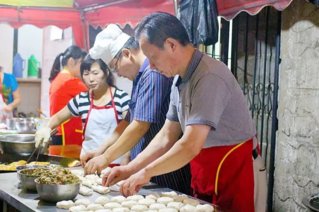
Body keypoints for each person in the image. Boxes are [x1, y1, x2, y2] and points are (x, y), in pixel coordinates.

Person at [104, 12, 267, 212]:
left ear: (172, 45)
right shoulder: (178, 80)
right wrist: (131, 168)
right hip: (205, 169)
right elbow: (166, 136)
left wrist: (146, 172)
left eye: (153, 58)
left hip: (235, 171)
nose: (151, 67)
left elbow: (190, 144)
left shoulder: (209, 76)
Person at [81, 24, 192, 195]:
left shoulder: (152, 75)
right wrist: (100, 150)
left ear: (126, 54)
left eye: (115, 66)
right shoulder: (140, 77)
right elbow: (128, 121)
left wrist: (106, 157)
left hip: (163, 172)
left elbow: (140, 126)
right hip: (145, 168)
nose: (117, 73)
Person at [35, 55, 130, 163]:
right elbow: (58, 116)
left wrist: (127, 157)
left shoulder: (121, 98)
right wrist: (46, 128)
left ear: (106, 73)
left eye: (95, 73)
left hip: (115, 162)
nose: (91, 79)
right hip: (87, 162)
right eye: (86, 74)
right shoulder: (81, 99)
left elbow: (130, 130)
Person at [47, 46, 88, 147]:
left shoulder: (58, 79)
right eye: (81, 63)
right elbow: (95, 96)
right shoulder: (71, 81)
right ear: (71, 61)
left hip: (57, 132)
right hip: (65, 134)